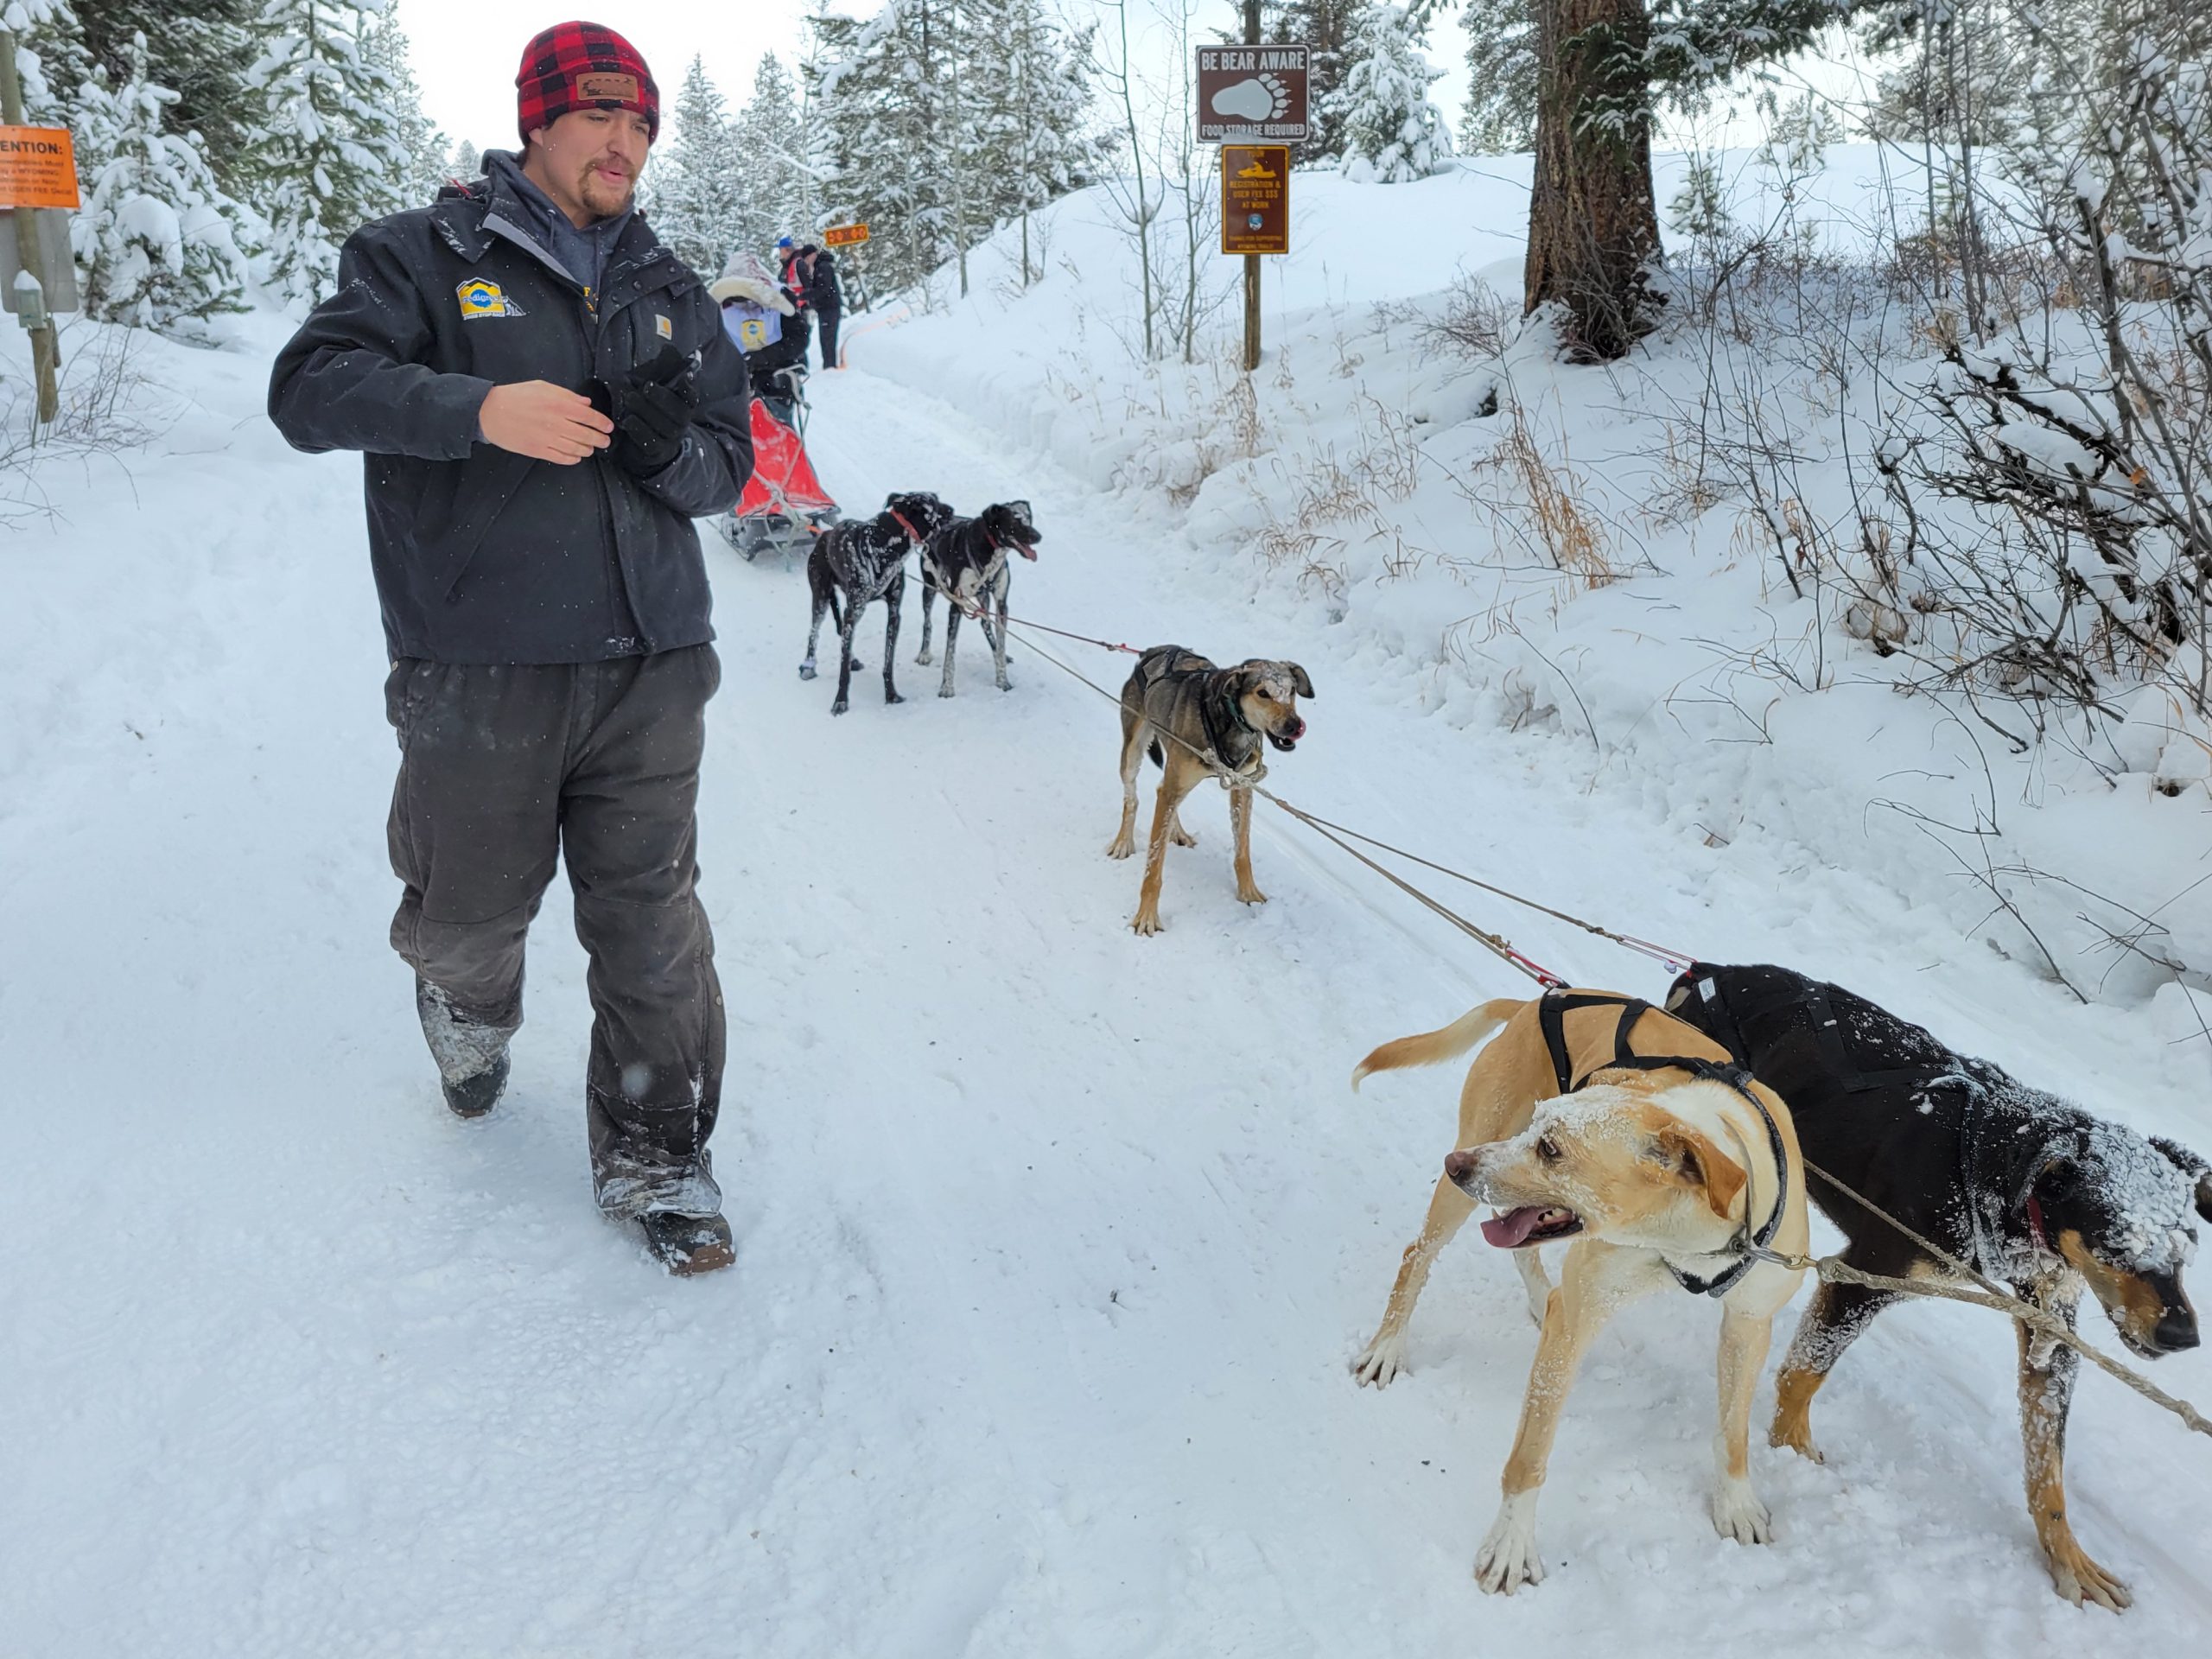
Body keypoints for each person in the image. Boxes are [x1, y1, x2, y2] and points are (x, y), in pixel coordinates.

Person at [267, 21, 753, 1275]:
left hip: (653, 665)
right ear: (537, 121)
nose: (625, 143)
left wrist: (667, 452)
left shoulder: (671, 288)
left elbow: (729, 468)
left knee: (651, 927)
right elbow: (308, 390)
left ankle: (657, 1157)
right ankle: (467, 1012)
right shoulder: (420, 258)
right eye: (600, 116)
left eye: (642, 123)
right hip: (479, 667)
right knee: (470, 916)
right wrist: (479, 408)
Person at [712, 251, 805, 424]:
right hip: (736, 384)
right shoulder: (717, 307)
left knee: (778, 427)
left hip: (776, 378)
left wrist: (763, 357)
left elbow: (799, 338)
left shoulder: (781, 297)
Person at [800, 244, 842, 369]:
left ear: (812, 255)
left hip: (829, 308)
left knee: (828, 340)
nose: (806, 262)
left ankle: (830, 367)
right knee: (825, 339)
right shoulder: (819, 267)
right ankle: (828, 366)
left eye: (806, 258)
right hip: (825, 309)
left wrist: (805, 295)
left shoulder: (823, 267)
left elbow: (823, 289)